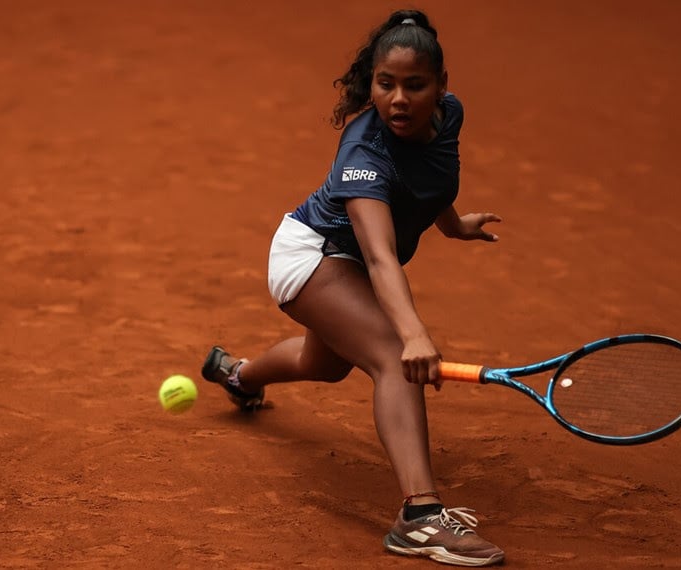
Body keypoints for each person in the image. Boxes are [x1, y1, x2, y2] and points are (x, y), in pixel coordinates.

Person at [202, 9, 505, 567]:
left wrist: (452, 224)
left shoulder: (448, 115)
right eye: (385, 84)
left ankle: (238, 375)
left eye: (414, 86)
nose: (398, 100)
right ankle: (419, 518)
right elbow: (379, 255)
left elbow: (430, 175)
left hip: (351, 266)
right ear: (372, 82)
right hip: (311, 256)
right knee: (391, 354)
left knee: (328, 362)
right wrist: (413, 335)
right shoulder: (364, 150)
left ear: (442, 84)